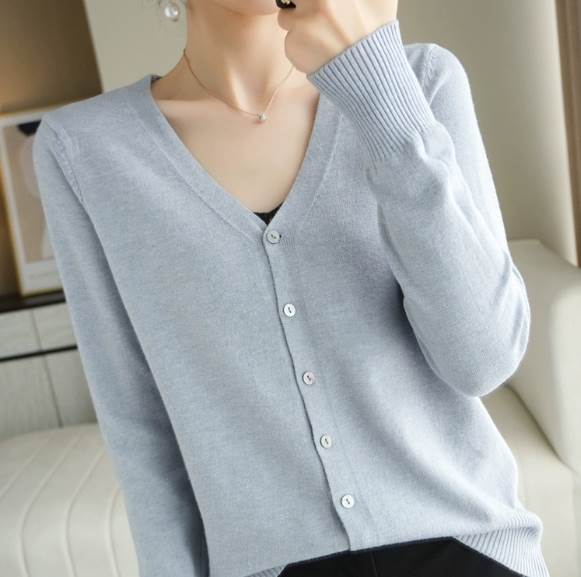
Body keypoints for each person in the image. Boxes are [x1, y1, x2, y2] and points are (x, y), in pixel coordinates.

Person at [32, 1, 552, 577]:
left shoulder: (419, 83)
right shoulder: (85, 149)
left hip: (468, 551)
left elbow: (482, 359)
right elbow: (137, 421)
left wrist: (379, 94)